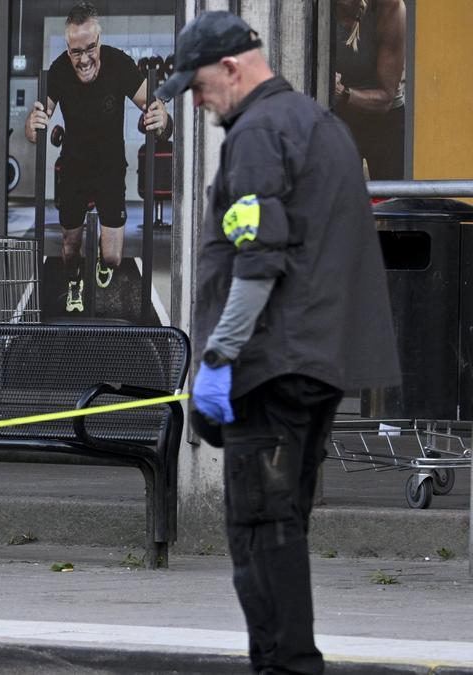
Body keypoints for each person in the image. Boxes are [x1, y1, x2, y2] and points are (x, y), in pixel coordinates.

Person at [157, 11, 401, 674]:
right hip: (317, 367)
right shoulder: (321, 125)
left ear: (232, 68)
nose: (200, 105)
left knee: (260, 533)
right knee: (283, 526)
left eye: (201, 88)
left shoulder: (259, 131)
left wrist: (215, 360)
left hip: (270, 370)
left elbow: (259, 261)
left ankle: (286, 666)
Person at [25, 1, 170, 313]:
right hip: (74, 166)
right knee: (70, 245)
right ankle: (74, 278)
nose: (85, 58)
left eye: (91, 48)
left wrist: (162, 118)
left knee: (115, 257)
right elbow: (35, 127)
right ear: (67, 48)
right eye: (76, 51)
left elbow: (155, 109)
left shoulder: (119, 65)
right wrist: (34, 123)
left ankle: (104, 265)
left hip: (110, 166)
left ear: (99, 41)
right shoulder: (60, 71)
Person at [334, 0, 406, 180]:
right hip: (339, 114)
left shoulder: (390, 7)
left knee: (388, 202)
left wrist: (342, 92)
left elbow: (386, 98)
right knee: (340, 197)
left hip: (383, 115)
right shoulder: (320, 8)